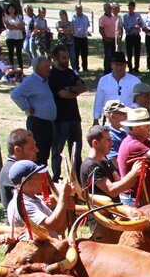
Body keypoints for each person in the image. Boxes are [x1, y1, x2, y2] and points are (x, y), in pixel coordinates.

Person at [5, 160, 75, 238]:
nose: (42, 180)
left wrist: (65, 203)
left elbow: (59, 229)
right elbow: (52, 226)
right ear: (25, 181)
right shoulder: (22, 205)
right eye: (37, 177)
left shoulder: (33, 199)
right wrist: (63, 196)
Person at [48, 44, 86, 182]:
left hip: (74, 117)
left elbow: (83, 87)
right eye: (63, 58)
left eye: (67, 57)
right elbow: (62, 94)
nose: (66, 60)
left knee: (76, 150)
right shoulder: (52, 75)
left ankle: (77, 177)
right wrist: (73, 91)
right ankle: (57, 176)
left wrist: (71, 89)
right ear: (55, 58)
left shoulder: (70, 72)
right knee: (57, 149)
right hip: (60, 118)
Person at [9, 56, 56, 165]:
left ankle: (42, 177)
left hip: (47, 124)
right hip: (38, 123)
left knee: (44, 154)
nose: (49, 69)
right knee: (37, 154)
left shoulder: (44, 81)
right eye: (46, 67)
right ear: (38, 69)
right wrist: (26, 107)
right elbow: (15, 94)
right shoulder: (32, 80)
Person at [81, 124, 141, 200]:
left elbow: (120, 183)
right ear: (95, 143)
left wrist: (136, 175)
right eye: (108, 140)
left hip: (115, 207)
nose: (112, 144)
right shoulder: (90, 166)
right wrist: (133, 173)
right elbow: (112, 191)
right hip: (102, 211)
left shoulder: (104, 160)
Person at [91, 51, 141, 124]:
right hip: (109, 118)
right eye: (117, 65)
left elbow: (139, 101)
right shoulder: (104, 80)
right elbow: (99, 100)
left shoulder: (135, 81)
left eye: (122, 65)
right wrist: (96, 119)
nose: (119, 68)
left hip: (129, 118)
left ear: (125, 65)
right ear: (111, 65)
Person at [0, 128, 39, 209]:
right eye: (31, 148)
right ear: (18, 150)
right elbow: (29, 201)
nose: (37, 150)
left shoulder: (23, 168)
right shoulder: (12, 171)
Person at [2, 4, 25, 69]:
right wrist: (18, 26)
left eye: (12, 8)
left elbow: (23, 26)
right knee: (11, 54)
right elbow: (8, 26)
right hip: (10, 38)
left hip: (19, 37)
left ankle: (21, 69)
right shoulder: (6, 17)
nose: (11, 10)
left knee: (19, 54)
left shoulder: (19, 16)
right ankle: (11, 69)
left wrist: (14, 26)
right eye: (10, 8)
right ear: (8, 10)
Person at [121, 2, 143, 72]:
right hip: (129, 36)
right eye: (129, 7)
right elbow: (125, 27)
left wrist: (139, 23)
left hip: (136, 36)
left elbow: (141, 25)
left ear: (134, 8)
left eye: (131, 7)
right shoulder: (125, 16)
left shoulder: (138, 15)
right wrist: (132, 26)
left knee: (137, 52)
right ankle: (130, 67)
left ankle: (136, 67)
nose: (130, 9)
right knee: (129, 52)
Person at [98, 2, 117, 72]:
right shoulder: (102, 19)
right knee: (108, 55)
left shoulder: (113, 18)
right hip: (107, 39)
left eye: (110, 8)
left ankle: (112, 69)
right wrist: (105, 38)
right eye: (108, 8)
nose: (110, 10)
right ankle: (107, 70)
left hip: (114, 39)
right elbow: (101, 29)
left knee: (113, 55)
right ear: (105, 9)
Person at [71, 3, 90, 72]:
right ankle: (77, 68)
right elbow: (72, 26)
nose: (79, 10)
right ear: (76, 9)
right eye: (78, 9)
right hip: (76, 37)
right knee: (76, 53)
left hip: (84, 37)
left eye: (80, 9)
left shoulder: (85, 17)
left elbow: (88, 25)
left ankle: (85, 68)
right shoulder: (74, 17)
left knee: (84, 54)